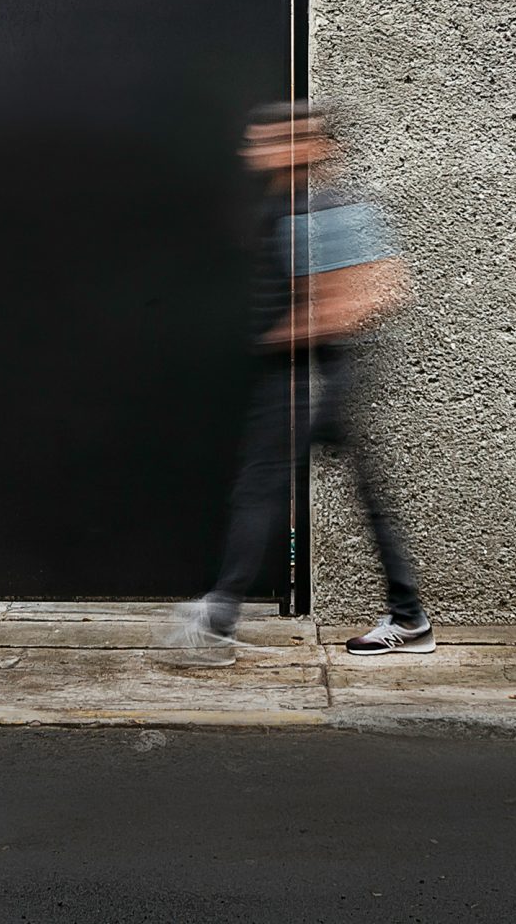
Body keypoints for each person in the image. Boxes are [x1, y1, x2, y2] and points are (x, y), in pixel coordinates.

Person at [167, 100, 434, 663]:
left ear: (314, 147)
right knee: (353, 492)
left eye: (273, 138)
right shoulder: (283, 207)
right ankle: (408, 616)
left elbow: (383, 290)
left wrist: (283, 335)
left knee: (263, 484)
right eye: (256, 138)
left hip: (313, 372)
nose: (254, 148)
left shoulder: (329, 208)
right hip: (302, 371)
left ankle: (219, 618)